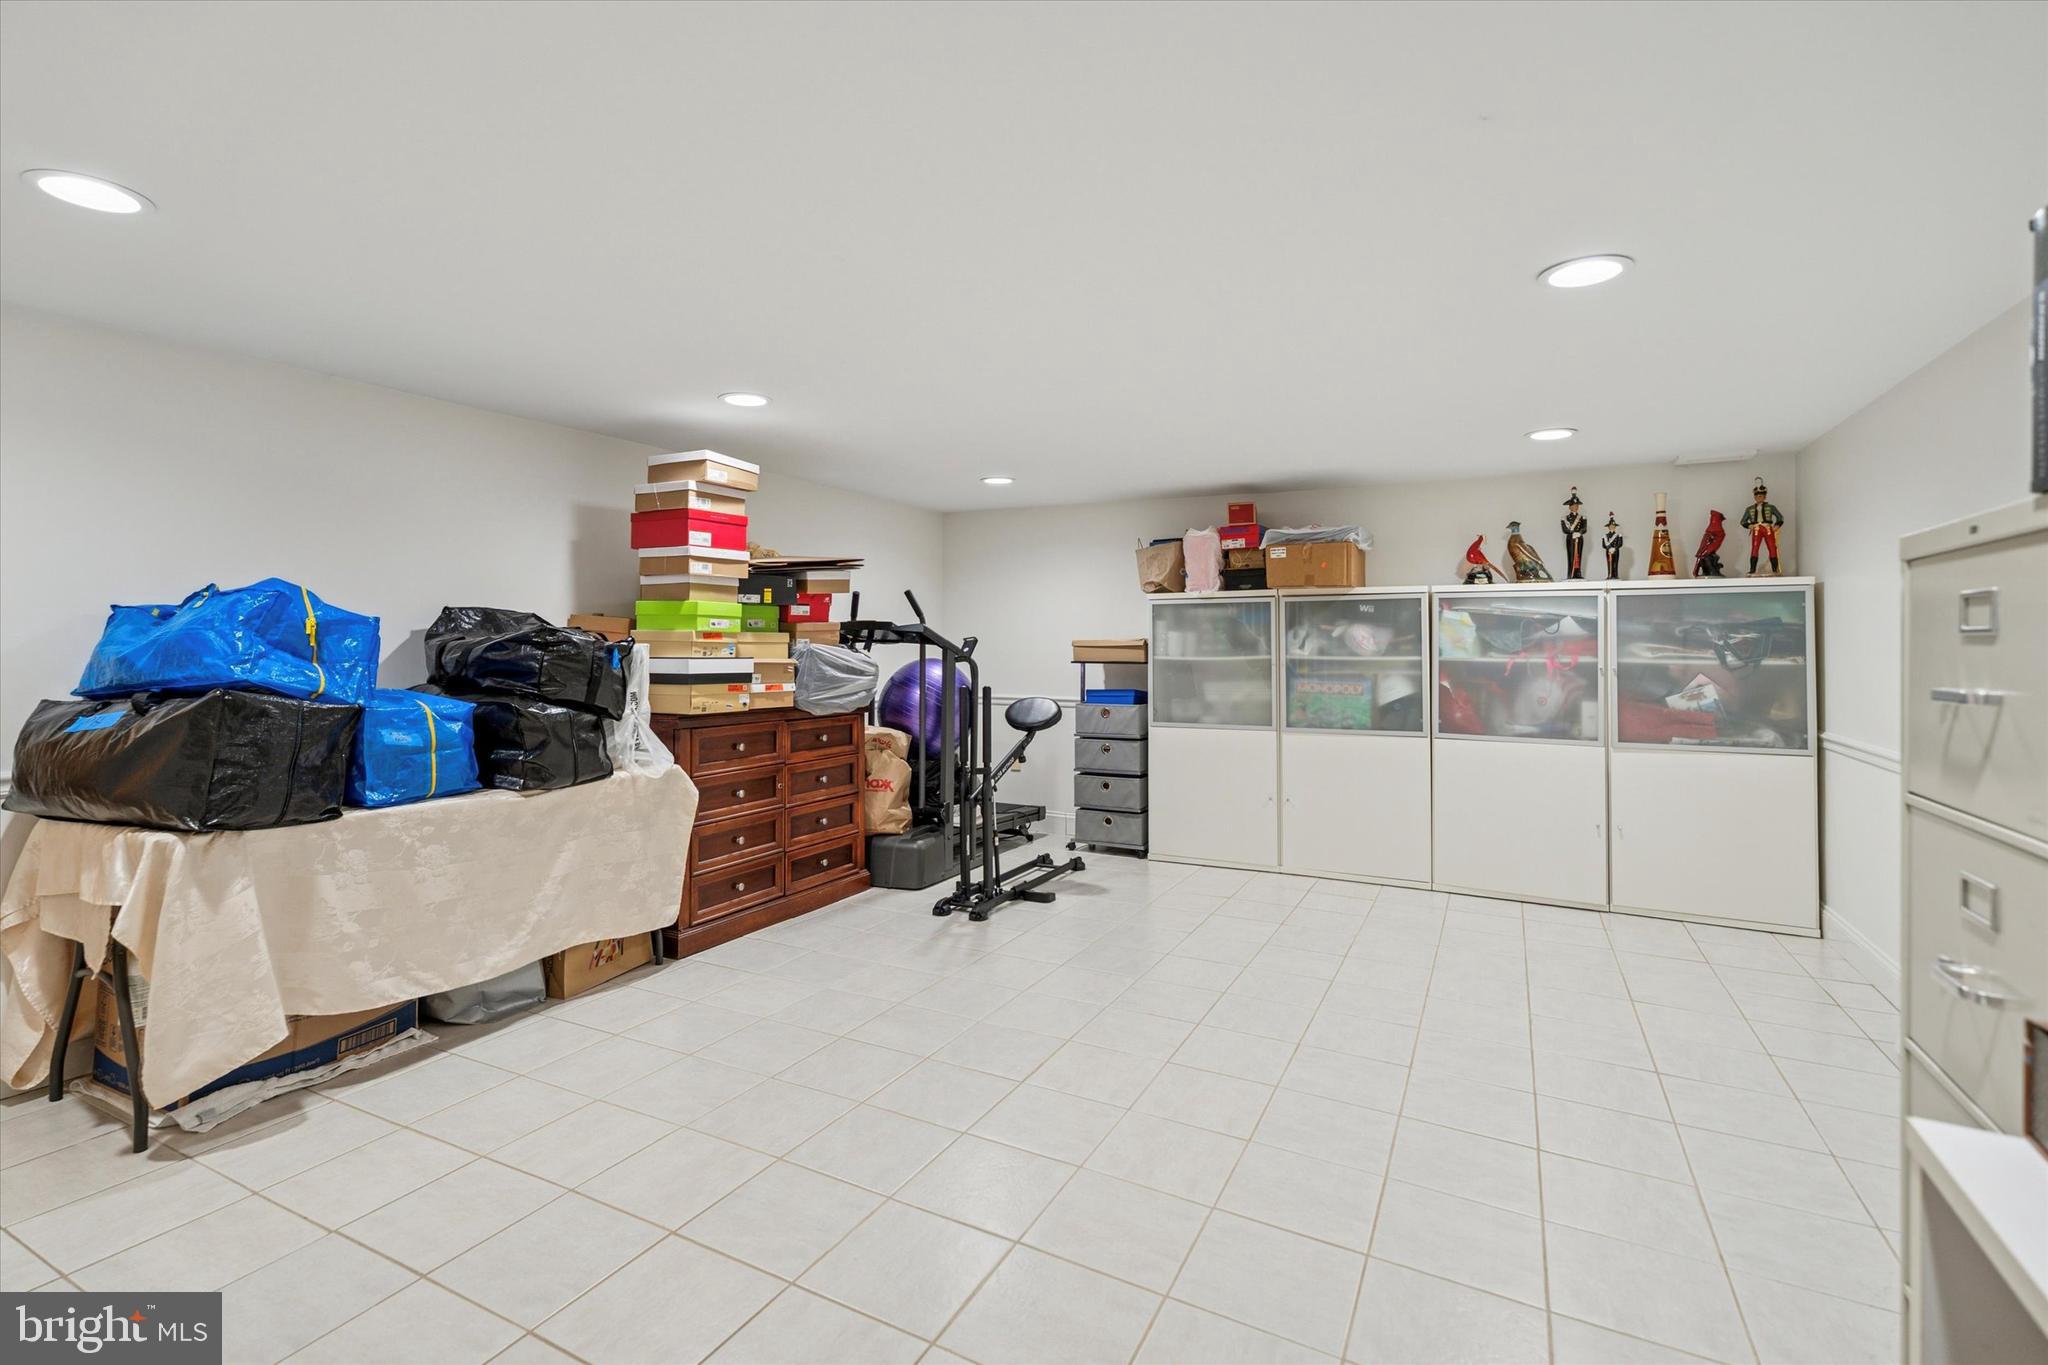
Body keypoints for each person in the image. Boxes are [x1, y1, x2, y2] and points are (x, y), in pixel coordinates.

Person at [1740, 478, 1785, 575]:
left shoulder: (1771, 507)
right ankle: (1752, 570)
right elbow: (1743, 521)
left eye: (1761, 495)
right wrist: (1749, 526)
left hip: (1767, 528)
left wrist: (1777, 525)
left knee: (1772, 548)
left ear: (1764, 496)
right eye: (1757, 496)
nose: (1759, 497)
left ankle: (1774, 569)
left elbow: (1780, 517)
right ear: (1754, 497)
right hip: (1756, 529)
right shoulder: (1749, 509)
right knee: (1755, 548)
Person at [1560, 487, 1588, 578]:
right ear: (1570, 507)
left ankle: (1578, 573)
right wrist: (1572, 533)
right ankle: (1571, 573)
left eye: (1577, 505)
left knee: (1579, 555)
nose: (1576, 507)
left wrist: (1579, 533)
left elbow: (1584, 528)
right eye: (1574, 506)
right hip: (1570, 539)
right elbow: (1564, 529)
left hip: (1579, 538)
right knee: (1571, 556)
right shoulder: (1565, 518)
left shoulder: (1582, 517)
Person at [1601, 513, 1623, 579]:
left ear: (1615, 527)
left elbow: (1620, 543)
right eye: (1610, 526)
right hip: (1608, 551)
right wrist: (1609, 548)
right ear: (1608, 527)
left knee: (1615, 563)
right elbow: (1603, 545)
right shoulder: (1605, 536)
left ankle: (1615, 575)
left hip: (1615, 551)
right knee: (1609, 563)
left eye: (1613, 526)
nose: (1612, 527)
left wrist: (1614, 548)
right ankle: (1609, 575)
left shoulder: (1618, 535)